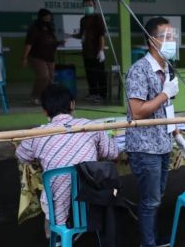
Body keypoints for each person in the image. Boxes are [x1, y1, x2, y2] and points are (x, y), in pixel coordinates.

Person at [15, 84, 118, 237]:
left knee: (56, 188)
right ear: (72, 104)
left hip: (58, 203)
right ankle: (88, 225)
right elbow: (112, 152)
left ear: (44, 110)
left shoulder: (36, 134)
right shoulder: (90, 126)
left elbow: (21, 155)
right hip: (92, 199)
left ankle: (58, 235)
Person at [125, 17, 183, 247]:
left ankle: (152, 237)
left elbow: (167, 107)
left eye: (174, 36)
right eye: (167, 37)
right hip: (145, 146)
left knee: (156, 198)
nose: (172, 41)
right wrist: (164, 94)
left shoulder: (167, 68)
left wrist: (177, 131)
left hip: (162, 143)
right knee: (149, 200)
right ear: (152, 41)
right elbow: (137, 111)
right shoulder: (139, 70)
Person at [23, 9, 61, 105]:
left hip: (49, 57)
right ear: (40, 17)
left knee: (50, 79)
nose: (47, 19)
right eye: (45, 18)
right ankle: (34, 97)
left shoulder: (50, 28)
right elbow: (28, 44)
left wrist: (59, 42)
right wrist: (24, 58)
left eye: (49, 18)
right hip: (37, 56)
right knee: (43, 76)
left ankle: (46, 98)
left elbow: (52, 41)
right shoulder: (34, 28)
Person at [72, 0, 107, 102]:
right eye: (86, 5)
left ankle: (102, 94)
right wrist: (70, 36)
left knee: (99, 73)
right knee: (90, 73)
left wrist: (101, 50)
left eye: (90, 5)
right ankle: (93, 93)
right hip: (86, 52)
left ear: (94, 7)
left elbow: (101, 35)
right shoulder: (83, 20)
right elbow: (81, 35)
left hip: (96, 52)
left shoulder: (98, 18)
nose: (88, 7)